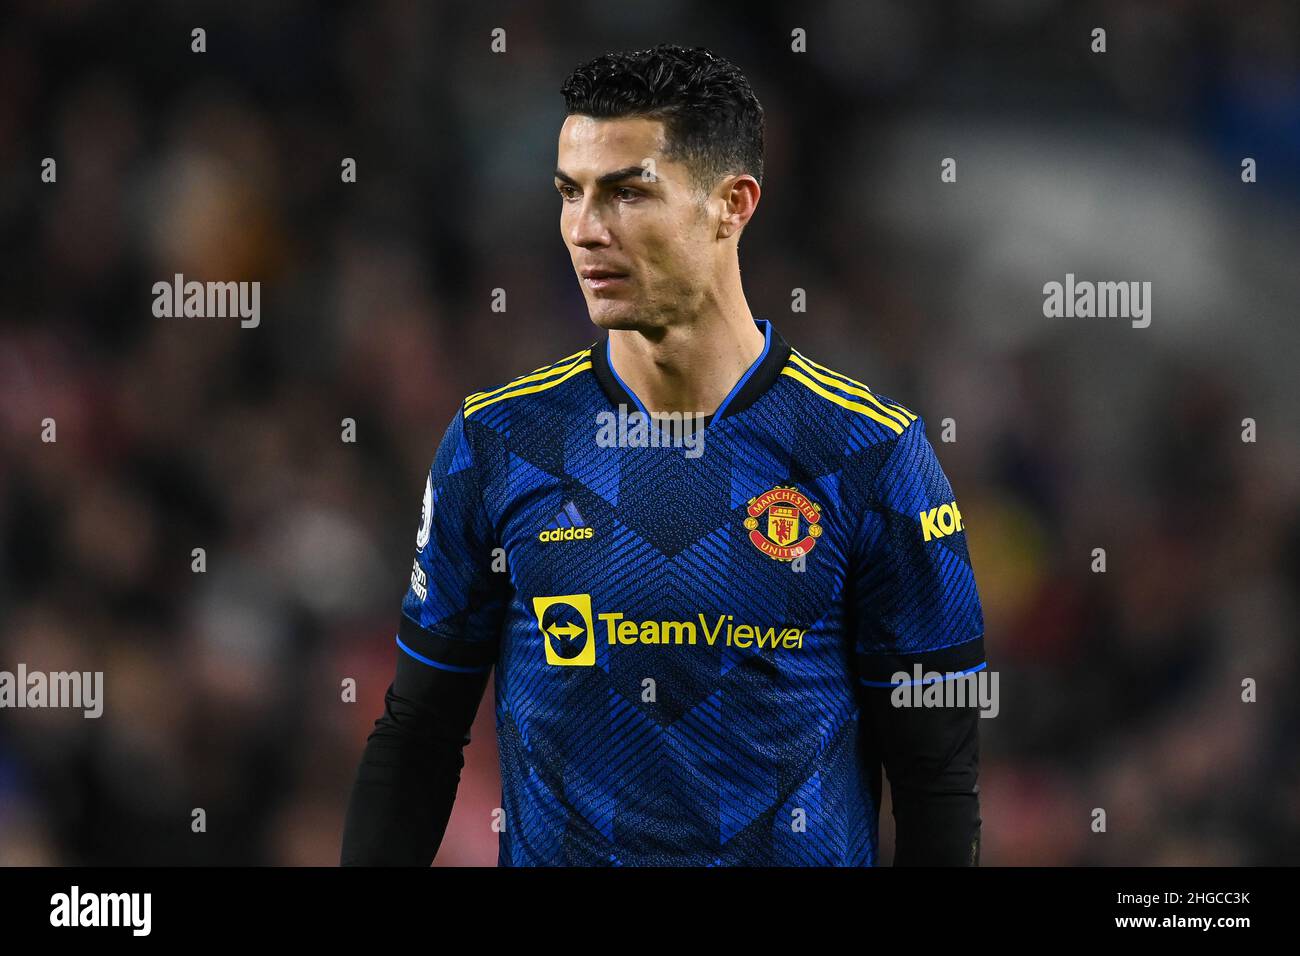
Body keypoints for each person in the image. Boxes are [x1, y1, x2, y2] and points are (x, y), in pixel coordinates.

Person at [341, 43, 986, 866]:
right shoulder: (498, 442)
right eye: (570, 193)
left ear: (732, 204)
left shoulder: (871, 456)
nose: (584, 228)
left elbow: (936, 784)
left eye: (627, 192)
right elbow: (417, 736)